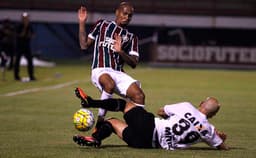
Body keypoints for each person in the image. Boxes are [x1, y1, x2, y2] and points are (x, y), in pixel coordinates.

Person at [73, 88, 229, 150]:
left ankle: (91, 102)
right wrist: (219, 139)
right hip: (146, 144)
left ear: (201, 104)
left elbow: (161, 111)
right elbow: (221, 147)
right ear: (212, 115)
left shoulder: (187, 107)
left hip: (151, 127)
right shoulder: (207, 130)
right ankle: (95, 139)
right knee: (112, 122)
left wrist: (169, 115)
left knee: (124, 105)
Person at [77, 2, 145, 125]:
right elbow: (84, 45)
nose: (127, 17)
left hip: (118, 73)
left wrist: (121, 52)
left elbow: (134, 63)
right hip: (100, 69)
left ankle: (138, 126)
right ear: (117, 12)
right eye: (125, 13)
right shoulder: (102, 25)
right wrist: (82, 22)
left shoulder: (131, 37)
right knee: (109, 84)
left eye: (130, 15)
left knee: (139, 95)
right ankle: (99, 123)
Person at [14, 12, 36, 81]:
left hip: (27, 46)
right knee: (17, 61)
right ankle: (16, 76)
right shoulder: (19, 26)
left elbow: (33, 35)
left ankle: (31, 76)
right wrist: (25, 28)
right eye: (24, 18)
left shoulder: (30, 26)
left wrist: (30, 35)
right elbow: (20, 35)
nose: (26, 19)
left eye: (27, 18)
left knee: (30, 61)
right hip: (19, 46)